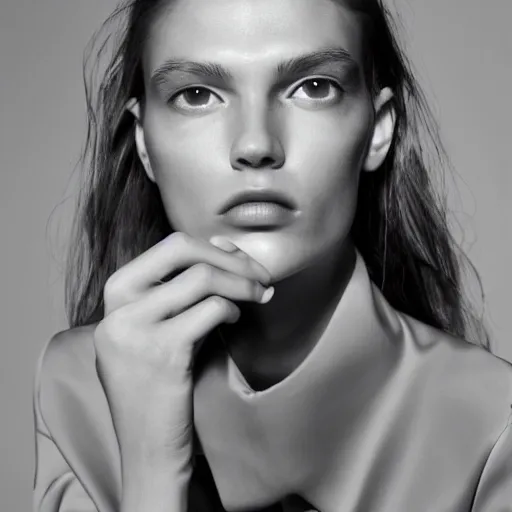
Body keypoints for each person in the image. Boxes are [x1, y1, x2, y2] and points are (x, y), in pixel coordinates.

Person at [32, 0, 512, 510]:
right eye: (197, 95)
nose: (256, 144)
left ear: (378, 129)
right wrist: (150, 463)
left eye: (313, 88)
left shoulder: (490, 423)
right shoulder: (75, 388)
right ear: (145, 143)